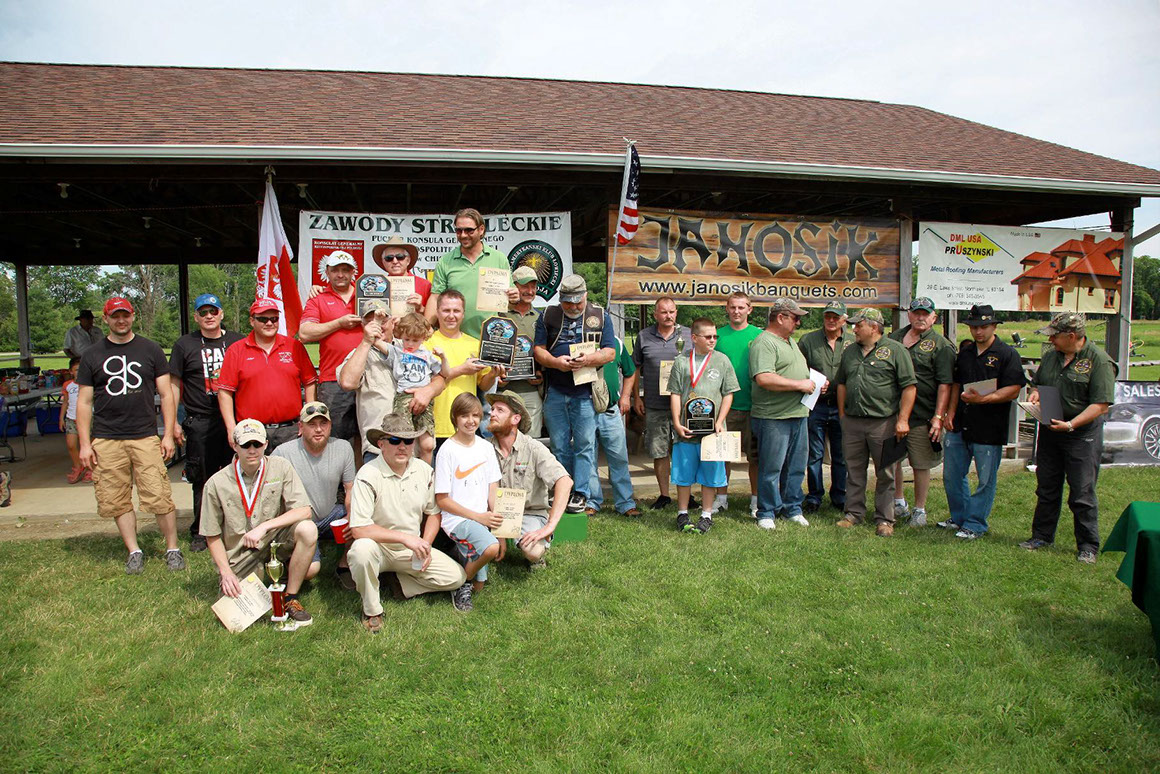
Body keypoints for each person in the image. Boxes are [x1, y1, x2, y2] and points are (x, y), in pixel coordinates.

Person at [76, 296, 182, 574]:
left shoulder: (151, 349)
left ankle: (172, 548)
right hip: (106, 438)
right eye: (115, 316)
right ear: (106, 319)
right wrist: (85, 444)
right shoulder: (92, 354)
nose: (121, 320)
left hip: (144, 435)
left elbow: (166, 395)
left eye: (125, 315)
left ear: (133, 316)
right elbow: (84, 402)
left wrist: (167, 434)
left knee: (159, 494)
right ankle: (134, 551)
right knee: (116, 497)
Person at [347, 414, 472, 631]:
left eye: (408, 440)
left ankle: (399, 583)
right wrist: (406, 538)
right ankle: (372, 610)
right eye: (395, 440)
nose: (402, 447)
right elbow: (359, 529)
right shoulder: (367, 474)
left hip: (412, 550)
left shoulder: (424, 470)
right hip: (379, 548)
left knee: (457, 577)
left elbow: (433, 514)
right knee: (361, 551)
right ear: (381, 444)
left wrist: (426, 545)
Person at [201, 419, 317, 628]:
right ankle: (261, 578)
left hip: (275, 540)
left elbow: (304, 510)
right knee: (235, 613)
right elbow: (212, 535)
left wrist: (265, 527)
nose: (252, 450)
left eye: (257, 444)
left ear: (266, 444)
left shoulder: (281, 466)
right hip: (242, 553)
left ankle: (290, 597)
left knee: (308, 529)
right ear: (235, 446)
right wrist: (226, 573)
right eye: (246, 445)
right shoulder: (216, 484)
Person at [1020, 312, 1115, 564]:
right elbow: (1039, 383)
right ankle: (1041, 536)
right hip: (1051, 429)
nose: (1051, 340)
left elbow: (1101, 405)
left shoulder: (1099, 361)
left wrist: (1072, 424)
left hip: (1081, 435)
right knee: (1047, 486)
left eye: (1055, 336)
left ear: (1072, 336)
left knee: (1082, 492)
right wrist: (1035, 394)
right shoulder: (1051, 357)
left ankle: (1088, 545)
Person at [939, 305, 1025, 540]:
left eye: (983, 327)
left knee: (985, 479)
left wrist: (985, 399)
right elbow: (956, 384)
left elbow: (1014, 388)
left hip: (990, 426)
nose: (978, 332)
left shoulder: (1007, 354)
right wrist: (950, 413)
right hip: (961, 422)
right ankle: (959, 517)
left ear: (994, 326)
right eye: (974, 327)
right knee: (952, 475)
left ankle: (975, 523)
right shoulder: (965, 353)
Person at [533, 273, 616, 514]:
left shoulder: (600, 315)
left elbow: (610, 352)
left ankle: (581, 493)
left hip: (585, 393)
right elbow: (538, 350)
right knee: (559, 445)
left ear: (586, 296)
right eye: (567, 303)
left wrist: (589, 359)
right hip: (555, 390)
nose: (573, 307)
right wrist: (556, 363)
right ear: (560, 299)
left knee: (585, 445)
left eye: (578, 303)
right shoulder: (548, 315)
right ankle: (564, 489)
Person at [168, 292, 244, 552]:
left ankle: (235, 526)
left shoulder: (237, 341)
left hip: (233, 418)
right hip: (200, 420)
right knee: (203, 477)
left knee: (238, 474)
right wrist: (174, 422)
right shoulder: (185, 345)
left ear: (221, 313)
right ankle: (202, 531)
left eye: (213, 311)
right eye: (203, 312)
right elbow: (174, 385)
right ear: (196, 317)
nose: (209, 316)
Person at [834, 308, 917, 537]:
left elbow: (909, 387)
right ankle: (853, 513)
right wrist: (842, 415)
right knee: (854, 470)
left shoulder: (896, 350)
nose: (854, 329)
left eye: (858, 325)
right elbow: (842, 383)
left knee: (886, 473)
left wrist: (903, 420)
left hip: (884, 423)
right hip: (853, 422)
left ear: (873, 327)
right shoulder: (850, 351)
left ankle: (885, 519)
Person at [336, 308, 445, 464]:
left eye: (382, 320)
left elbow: (441, 378)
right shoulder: (359, 353)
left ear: (393, 322)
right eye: (370, 321)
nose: (377, 325)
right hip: (378, 449)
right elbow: (347, 382)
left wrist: (429, 391)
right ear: (363, 326)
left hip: (416, 450)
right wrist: (367, 341)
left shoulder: (412, 342)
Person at [217, 298, 317, 452]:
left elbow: (309, 382)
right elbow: (225, 392)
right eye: (263, 319)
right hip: (251, 431)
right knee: (255, 468)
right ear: (252, 321)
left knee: (291, 468)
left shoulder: (294, 346)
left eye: (274, 319)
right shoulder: (236, 350)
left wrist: (308, 418)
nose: (269, 323)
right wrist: (231, 428)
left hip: (290, 430)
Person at [486, 391, 574, 567]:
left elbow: (565, 481)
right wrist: (499, 530)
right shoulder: (483, 448)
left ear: (515, 419)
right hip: (490, 514)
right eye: (492, 409)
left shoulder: (534, 448)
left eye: (500, 410)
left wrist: (550, 526)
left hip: (528, 514)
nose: (492, 413)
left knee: (532, 551)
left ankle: (537, 557)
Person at [889, 297, 956, 526]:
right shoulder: (894, 338)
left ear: (933, 317)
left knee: (920, 463)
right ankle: (898, 502)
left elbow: (945, 384)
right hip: (894, 412)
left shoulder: (941, 345)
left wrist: (938, 417)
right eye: (916, 313)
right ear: (909, 314)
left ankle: (919, 509)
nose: (920, 317)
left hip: (923, 414)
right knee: (893, 459)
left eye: (925, 314)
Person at [272, 402, 356, 584]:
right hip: (299, 523)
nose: (318, 429)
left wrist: (350, 516)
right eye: (312, 424)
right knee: (310, 571)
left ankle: (344, 566)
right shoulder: (282, 453)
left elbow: (350, 489)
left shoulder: (343, 448)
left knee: (360, 516)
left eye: (323, 423)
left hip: (330, 515)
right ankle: (288, 563)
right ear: (301, 427)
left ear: (330, 425)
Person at [749, 299, 814, 529]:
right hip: (773, 416)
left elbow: (793, 371)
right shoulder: (764, 342)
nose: (798, 322)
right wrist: (800, 385)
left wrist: (813, 383)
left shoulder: (790, 341)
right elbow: (764, 378)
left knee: (796, 466)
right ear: (780, 317)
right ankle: (766, 512)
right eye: (795, 318)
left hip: (797, 413)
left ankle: (792, 508)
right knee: (771, 467)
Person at [669, 318, 738, 534]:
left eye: (715, 336)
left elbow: (728, 394)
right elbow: (675, 394)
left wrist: (719, 421)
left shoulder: (722, 360)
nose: (713, 340)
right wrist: (677, 422)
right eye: (708, 336)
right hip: (686, 431)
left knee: (710, 473)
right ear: (694, 338)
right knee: (684, 473)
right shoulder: (681, 361)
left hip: (712, 432)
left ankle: (706, 514)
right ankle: (682, 513)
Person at [434, 394, 503, 606]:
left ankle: (464, 561)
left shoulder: (486, 448)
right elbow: (442, 500)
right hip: (457, 519)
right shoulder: (447, 450)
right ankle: (460, 582)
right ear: (455, 418)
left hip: (481, 519)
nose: (471, 421)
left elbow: (493, 488)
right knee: (490, 549)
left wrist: (499, 530)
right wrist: (478, 517)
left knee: (480, 586)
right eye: (464, 416)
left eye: (475, 415)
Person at [298, 251, 364, 448]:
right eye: (335, 270)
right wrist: (338, 323)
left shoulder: (366, 294)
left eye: (345, 270)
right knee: (336, 439)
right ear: (327, 272)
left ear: (353, 272)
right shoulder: (318, 299)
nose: (341, 274)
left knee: (368, 438)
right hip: (333, 379)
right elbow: (305, 333)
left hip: (368, 377)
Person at [632, 297, 691, 510]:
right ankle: (664, 495)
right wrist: (636, 397)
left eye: (672, 312)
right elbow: (635, 367)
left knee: (685, 450)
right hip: (655, 403)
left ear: (676, 312)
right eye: (664, 312)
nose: (668, 316)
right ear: (655, 314)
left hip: (684, 404)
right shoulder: (644, 336)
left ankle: (687, 494)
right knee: (659, 450)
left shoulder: (688, 335)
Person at [427, 290, 501, 455]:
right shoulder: (427, 343)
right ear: (437, 312)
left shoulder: (475, 344)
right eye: (446, 310)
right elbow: (427, 383)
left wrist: (492, 374)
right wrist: (462, 369)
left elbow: (483, 385)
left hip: (467, 426)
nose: (451, 315)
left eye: (456, 311)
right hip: (436, 426)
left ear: (463, 314)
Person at [425, 208, 518, 339]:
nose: (463, 235)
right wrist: (426, 327)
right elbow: (436, 297)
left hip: (490, 338)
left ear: (481, 230)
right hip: (455, 339)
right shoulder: (445, 262)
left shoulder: (499, 259)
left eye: (469, 230)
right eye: (459, 230)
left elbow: (509, 301)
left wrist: (514, 297)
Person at [798, 300, 853, 515]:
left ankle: (840, 495)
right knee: (814, 455)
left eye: (835, 317)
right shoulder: (808, 340)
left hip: (842, 406)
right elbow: (799, 368)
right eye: (828, 316)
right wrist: (812, 382)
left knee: (841, 454)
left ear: (844, 319)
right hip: (816, 405)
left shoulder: (852, 341)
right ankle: (814, 496)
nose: (831, 320)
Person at [371, 312, 443, 463]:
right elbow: (375, 340)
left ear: (423, 338)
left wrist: (444, 358)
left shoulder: (427, 355)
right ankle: (406, 471)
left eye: (415, 340)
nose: (410, 344)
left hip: (425, 398)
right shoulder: (397, 352)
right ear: (401, 336)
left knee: (428, 445)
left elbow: (444, 374)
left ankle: (426, 473)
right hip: (404, 396)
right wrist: (377, 320)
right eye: (406, 339)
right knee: (404, 439)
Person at [715, 292, 762, 517]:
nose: (736, 311)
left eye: (741, 307)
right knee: (723, 456)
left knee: (756, 457)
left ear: (749, 310)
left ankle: (756, 501)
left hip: (755, 406)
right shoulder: (717, 336)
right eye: (733, 307)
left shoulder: (760, 336)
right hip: (727, 407)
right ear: (727, 308)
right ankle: (721, 499)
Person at [587, 333, 641, 518]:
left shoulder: (615, 341)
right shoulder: (577, 338)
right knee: (588, 458)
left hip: (610, 410)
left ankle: (625, 503)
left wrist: (625, 396)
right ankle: (591, 502)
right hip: (584, 409)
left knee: (619, 457)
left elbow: (630, 371)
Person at [498, 266, 545, 436]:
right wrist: (495, 377)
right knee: (503, 441)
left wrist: (541, 375)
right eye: (524, 286)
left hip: (531, 391)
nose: (530, 291)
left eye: (533, 286)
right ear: (513, 287)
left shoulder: (542, 318)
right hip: (503, 392)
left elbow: (546, 352)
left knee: (532, 442)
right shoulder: (498, 315)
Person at [370, 236, 431, 310]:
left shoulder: (425, 285)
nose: (395, 261)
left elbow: (435, 315)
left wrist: (420, 308)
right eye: (389, 258)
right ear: (383, 262)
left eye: (400, 257)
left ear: (408, 260)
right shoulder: (375, 286)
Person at [59, 357, 85, 484]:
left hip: (86, 418)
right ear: (71, 371)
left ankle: (91, 469)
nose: (79, 372)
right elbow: (65, 402)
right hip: (71, 418)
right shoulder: (68, 385)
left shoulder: (88, 383)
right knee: (71, 445)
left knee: (90, 445)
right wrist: (61, 418)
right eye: (76, 370)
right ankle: (78, 466)